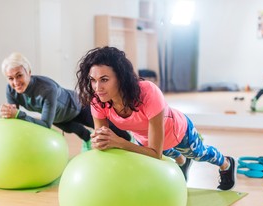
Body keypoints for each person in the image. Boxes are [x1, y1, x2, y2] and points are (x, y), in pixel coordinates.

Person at [76, 46, 236, 190]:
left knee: (200, 154)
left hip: (177, 132)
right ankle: (182, 161)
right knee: (168, 154)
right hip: (147, 140)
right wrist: (100, 141)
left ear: (121, 78)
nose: (97, 88)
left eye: (104, 79)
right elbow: (103, 139)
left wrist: (119, 142)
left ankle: (226, 163)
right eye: (93, 80)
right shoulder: (98, 99)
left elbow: (155, 154)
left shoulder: (147, 92)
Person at [0, 52, 131, 150]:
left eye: (19, 76)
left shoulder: (46, 88)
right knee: (75, 130)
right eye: (10, 78)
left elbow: (44, 124)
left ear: (28, 72)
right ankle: (88, 142)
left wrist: (18, 114)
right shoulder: (10, 90)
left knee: (110, 131)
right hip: (58, 116)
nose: (15, 82)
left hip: (78, 106)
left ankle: (131, 139)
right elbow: (14, 116)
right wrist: (9, 114)